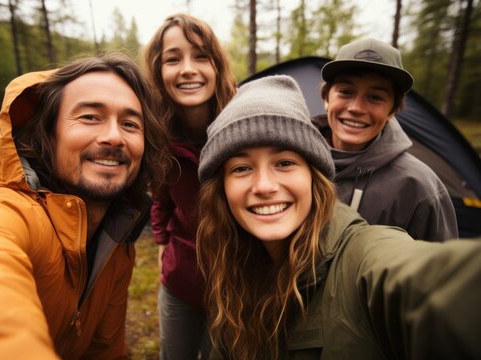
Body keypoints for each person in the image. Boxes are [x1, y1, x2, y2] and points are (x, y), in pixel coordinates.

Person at [196, 75, 481, 359]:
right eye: (241, 168)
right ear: (221, 188)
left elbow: (433, 284)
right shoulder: (232, 260)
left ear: (313, 176)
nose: (264, 186)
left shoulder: (362, 257)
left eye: (284, 163)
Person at [0, 53, 170, 359]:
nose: (115, 137)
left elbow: (105, 347)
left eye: (130, 124)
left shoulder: (118, 232)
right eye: (90, 117)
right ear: (48, 132)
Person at [143, 13, 237, 360]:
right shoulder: (156, 136)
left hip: (235, 286)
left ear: (217, 66)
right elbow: (161, 199)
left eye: (200, 56)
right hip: (179, 281)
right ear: (158, 71)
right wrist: (162, 241)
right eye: (172, 58)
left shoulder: (242, 128)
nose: (187, 69)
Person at [313, 38, 457, 242]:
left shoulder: (419, 187)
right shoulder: (295, 162)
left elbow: (439, 269)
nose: (356, 108)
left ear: (392, 111)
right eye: (346, 92)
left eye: (375, 97)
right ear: (327, 99)